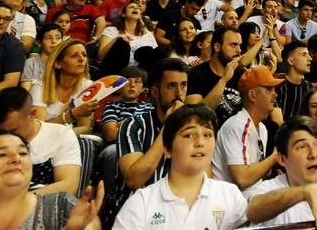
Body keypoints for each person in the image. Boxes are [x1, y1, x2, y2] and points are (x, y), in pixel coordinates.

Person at [114, 104, 247, 230]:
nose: (200, 143)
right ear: (167, 149)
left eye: (207, 135)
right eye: (188, 135)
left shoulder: (230, 195)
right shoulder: (141, 203)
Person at [102, 58, 190, 228]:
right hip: (133, 214)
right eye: (171, 86)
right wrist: (168, 127)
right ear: (155, 92)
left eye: (184, 85)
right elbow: (134, 180)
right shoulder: (133, 125)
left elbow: (203, 177)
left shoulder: (193, 127)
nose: (179, 93)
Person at [0, 86, 82, 195]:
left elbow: (68, 186)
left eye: (12, 131)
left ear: (32, 114)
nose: (4, 138)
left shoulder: (60, 135)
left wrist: (20, 202)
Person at [212, 65, 281, 189]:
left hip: (249, 197)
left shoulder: (262, 129)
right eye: (269, 89)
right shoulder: (237, 125)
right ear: (252, 95)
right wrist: (275, 156)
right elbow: (242, 179)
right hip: (228, 203)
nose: (275, 94)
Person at [30, 38, 96, 134]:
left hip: (72, 137)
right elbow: (39, 130)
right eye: (74, 56)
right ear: (58, 63)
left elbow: (85, 127)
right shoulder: (39, 88)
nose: (82, 59)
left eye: (84, 55)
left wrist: (66, 136)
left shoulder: (88, 86)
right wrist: (73, 114)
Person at [185, 25, 245, 124]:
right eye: (233, 45)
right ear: (217, 47)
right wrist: (224, 79)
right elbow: (196, 116)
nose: (239, 50)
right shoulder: (196, 74)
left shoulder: (241, 73)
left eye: (240, 45)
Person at [98, 1, 157, 74]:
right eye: (131, 7)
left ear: (140, 16)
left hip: (140, 73)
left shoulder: (146, 35)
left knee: (148, 50)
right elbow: (101, 56)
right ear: (123, 14)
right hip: (115, 71)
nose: (136, 8)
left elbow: (156, 56)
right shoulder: (112, 30)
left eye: (138, 8)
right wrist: (116, 39)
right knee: (122, 43)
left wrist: (144, 27)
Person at [21, 23, 64, 90]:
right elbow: (26, 91)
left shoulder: (65, 63)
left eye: (58, 38)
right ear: (39, 43)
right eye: (49, 38)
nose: (54, 41)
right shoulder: (31, 63)